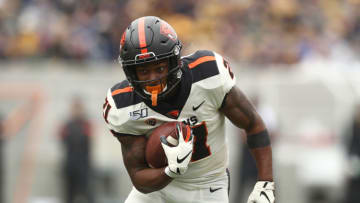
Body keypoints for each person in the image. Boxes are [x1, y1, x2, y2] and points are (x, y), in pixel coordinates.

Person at [103, 16, 275, 203]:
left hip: (207, 185)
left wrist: (265, 182)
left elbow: (253, 125)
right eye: (144, 71)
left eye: (159, 68)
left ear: (174, 61)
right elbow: (139, 178)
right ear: (130, 72)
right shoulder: (123, 105)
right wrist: (171, 171)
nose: (153, 79)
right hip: (156, 191)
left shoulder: (208, 75)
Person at [59, 97, 94, 203]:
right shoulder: (67, 125)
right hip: (70, 164)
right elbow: (61, 139)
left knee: (87, 193)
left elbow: (89, 139)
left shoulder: (86, 124)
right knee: (68, 195)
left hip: (84, 165)